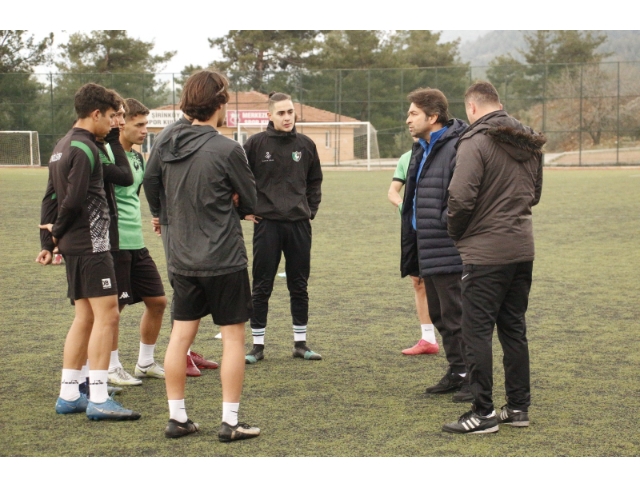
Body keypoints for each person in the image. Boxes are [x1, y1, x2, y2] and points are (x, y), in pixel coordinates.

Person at [145, 69, 260, 441]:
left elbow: (150, 182)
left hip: (181, 257)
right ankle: (229, 423)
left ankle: (177, 419)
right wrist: (237, 203)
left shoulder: (164, 141)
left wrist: (162, 213)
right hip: (223, 257)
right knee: (232, 339)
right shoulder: (228, 149)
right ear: (220, 102)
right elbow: (252, 200)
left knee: (180, 337)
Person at [442, 81, 545, 434]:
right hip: (522, 247)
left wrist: (456, 232)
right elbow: (535, 194)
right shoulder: (529, 139)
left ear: (471, 108)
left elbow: (459, 197)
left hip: (485, 253)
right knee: (514, 328)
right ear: (499, 104)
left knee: (476, 332)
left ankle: (483, 413)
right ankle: (518, 408)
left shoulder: (474, 140)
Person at [36, 82, 140, 420]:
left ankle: (69, 394)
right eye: (111, 117)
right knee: (107, 315)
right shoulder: (85, 149)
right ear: (95, 114)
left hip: (76, 245)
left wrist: (49, 241)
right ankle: (97, 397)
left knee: (85, 316)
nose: (114, 123)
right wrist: (56, 237)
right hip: (93, 245)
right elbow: (73, 199)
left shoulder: (61, 146)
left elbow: (49, 198)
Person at [401, 88, 472, 403]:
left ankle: (473, 376)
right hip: (426, 244)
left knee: (456, 315)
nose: (408, 119)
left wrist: (444, 223)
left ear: (433, 117)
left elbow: (465, 196)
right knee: (441, 315)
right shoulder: (422, 146)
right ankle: (457, 371)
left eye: (414, 113)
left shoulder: (458, 145)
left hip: (448, 246)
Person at [243, 92, 323, 364]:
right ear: (269, 115)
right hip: (267, 225)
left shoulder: (306, 144)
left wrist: (310, 210)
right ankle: (257, 347)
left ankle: (300, 344)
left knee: (298, 285)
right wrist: (245, 209)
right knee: (262, 285)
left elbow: (315, 181)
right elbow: (239, 178)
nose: (287, 117)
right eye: (281, 113)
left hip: (299, 225)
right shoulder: (255, 144)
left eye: (290, 112)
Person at [143, 112, 219, 378]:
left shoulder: (196, 132)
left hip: (192, 221)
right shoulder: (171, 133)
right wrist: (160, 212)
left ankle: (187, 349)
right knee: (183, 282)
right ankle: (181, 353)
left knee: (195, 280)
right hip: (176, 223)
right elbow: (150, 177)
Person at [102, 97, 167, 385]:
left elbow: (134, 197)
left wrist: (157, 216)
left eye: (146, 124)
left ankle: (145, 362)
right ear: (121, 124)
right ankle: (111, 366)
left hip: (136, 242)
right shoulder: (104, 153)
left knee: (158, 301)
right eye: (139, 125)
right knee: (114, 310)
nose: (145, 130)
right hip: (113, 244)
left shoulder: (140, 158)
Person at [388, 143, 438, 356]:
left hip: (439, 227)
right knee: (418, 283)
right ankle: (428, 338)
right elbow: (393, 191)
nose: (410, 120)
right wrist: (403, 207)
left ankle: (461, 339)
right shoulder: (406, 158)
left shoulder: (446, 153)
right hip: (413, 229)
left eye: (414, 114)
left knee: (447, 284)